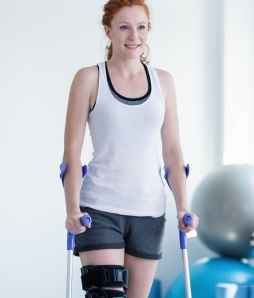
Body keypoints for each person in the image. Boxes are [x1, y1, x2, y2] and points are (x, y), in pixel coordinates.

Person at [61, 1, 198, 297]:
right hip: (99, 208)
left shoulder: (164, 82)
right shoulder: (89, 78)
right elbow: (71, 154)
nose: (133, 36)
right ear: (108, 31)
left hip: (149, 211)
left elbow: (173, 152)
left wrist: (183, 206)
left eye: (141, 27)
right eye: (124, 27)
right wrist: (72, 209)